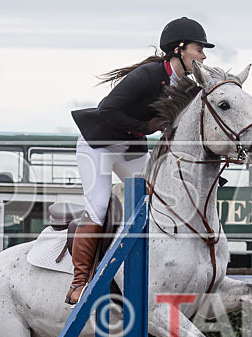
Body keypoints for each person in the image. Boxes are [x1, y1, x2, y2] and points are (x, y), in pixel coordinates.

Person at [65, 17, 214, 304]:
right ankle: (79, 282)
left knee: (159, 195)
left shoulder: (186, 84)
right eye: (199, 49)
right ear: (179, 49)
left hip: (131, 147)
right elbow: (107, 109)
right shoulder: (149, 74)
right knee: (98, 206)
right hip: (99, 145)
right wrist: (144, 127)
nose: (204, 56)